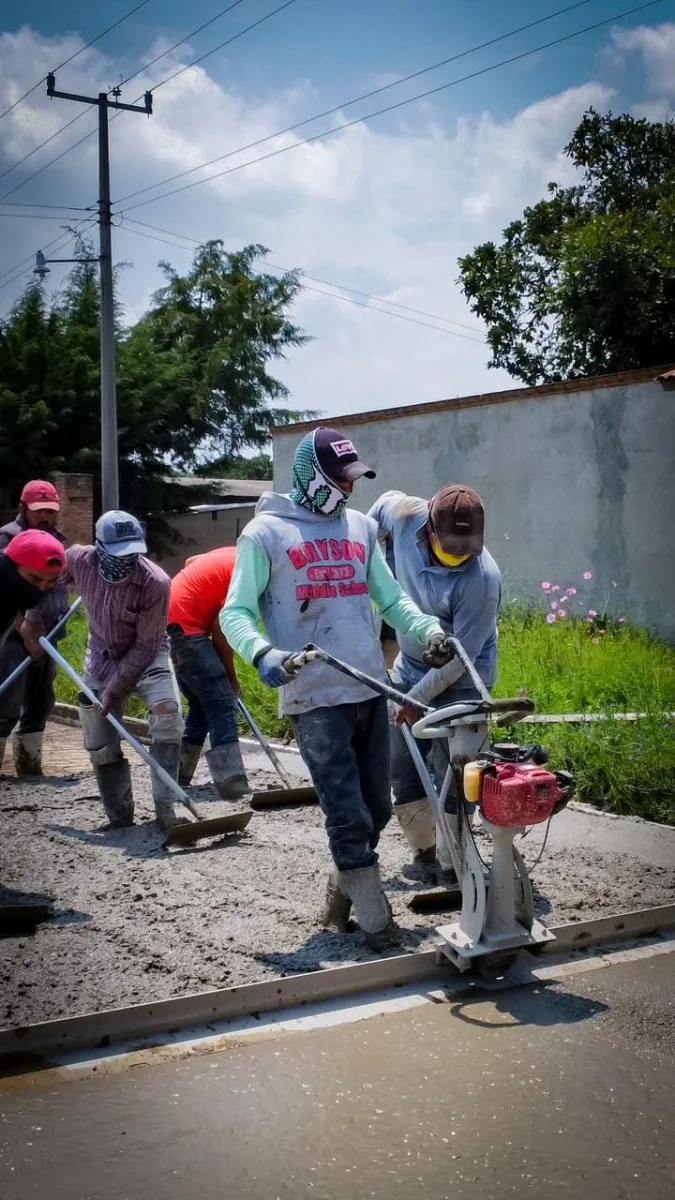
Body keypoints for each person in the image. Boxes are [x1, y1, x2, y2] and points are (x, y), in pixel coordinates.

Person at [221, 427, 455, 951]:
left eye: (353, 481)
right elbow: (234, 611)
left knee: (374, 809)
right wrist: (265, 655)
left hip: (369, 686)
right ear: (309, 476)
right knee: (347, 814)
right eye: (339, 480)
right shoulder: (265, 534)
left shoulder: (357, 528)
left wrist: (428, 631)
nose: (348, 491)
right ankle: (376, 923)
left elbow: (391, 599)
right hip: (313, 692)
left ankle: (339, 896)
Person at [367, 484, 501, 879]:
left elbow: (462, 662)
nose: (460, 554)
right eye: (452, 545)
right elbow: (376, 511)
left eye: (468, 546)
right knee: (402, 765)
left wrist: (415, 698)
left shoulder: (482, 580)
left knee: (458, 772)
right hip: (409, 667)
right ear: (428, 529)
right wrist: (370, 561)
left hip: (461, 682)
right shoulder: (406, 514)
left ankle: (454, 862)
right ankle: (424, 853)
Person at [21, 511, 184, 831]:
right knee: (99, 738)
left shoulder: (155, 582)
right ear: (100, 547)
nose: (127, 561)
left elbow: (146, 646)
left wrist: (114, 689)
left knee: (168, 716)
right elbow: (46, 578)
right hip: (101, 657)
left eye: (133, 553)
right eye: (118, 555)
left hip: (149, 656)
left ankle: (167, 811)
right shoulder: (78, 560)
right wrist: (33, 617)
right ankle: (119, 816)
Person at [0, 481, 69, 775]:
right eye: (39, 510)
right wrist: (25, 630)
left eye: (51, 511)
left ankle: (29, 764)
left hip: (50, 633)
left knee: (41, 700)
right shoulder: (9, 538)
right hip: (16, 636)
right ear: (23, 508)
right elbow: (9, 595)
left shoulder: (57, 540)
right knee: (8, 701)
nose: (46, 517)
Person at [167, 546, 247, 797]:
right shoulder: (246, 572)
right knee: (222, 701)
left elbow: (192, 558)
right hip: (187, 632)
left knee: (202, 705)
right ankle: (231, 780)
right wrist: (231, 679)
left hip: (170, 624)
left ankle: (178, 773)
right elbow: (222, 631)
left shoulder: (237, 554)